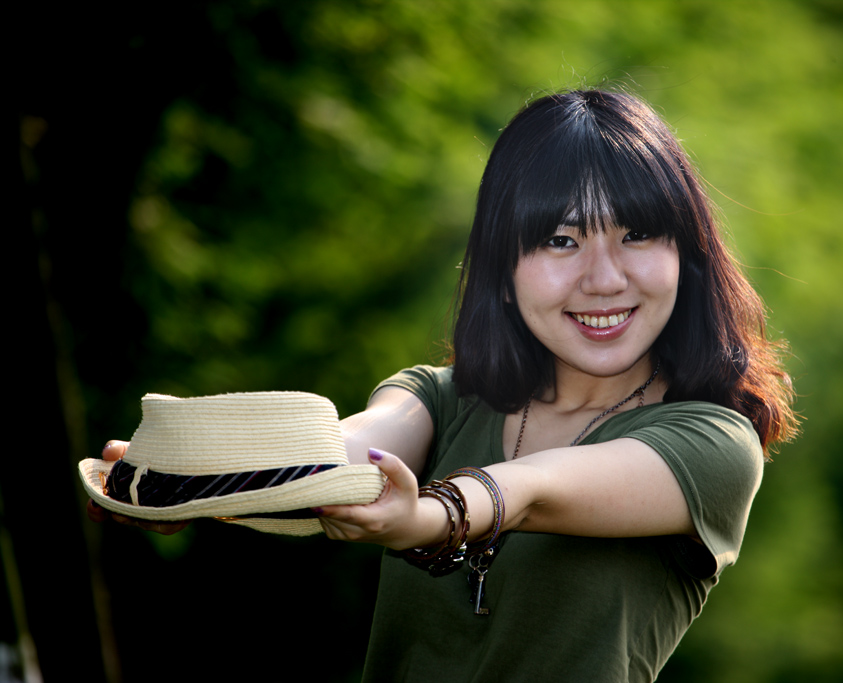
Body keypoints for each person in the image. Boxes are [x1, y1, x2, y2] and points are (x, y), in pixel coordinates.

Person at [90, 89, 797, 681]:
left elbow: (532, 488)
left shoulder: (712, 443)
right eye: (560, 239)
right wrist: (207, 476)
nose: (605, 277)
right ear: (504, 266)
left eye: (637, 235)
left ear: (687, 253)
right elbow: (341, 450)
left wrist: (421, 519)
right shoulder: (440, 397)